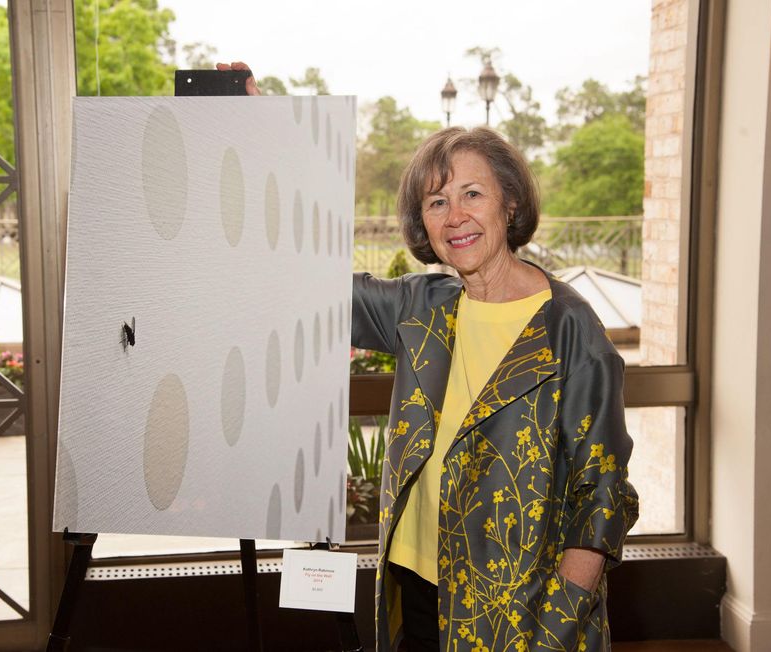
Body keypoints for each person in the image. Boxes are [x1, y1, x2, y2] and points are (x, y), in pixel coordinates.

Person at [223, 62, 638, 651]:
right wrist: (257, 136)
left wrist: (552, 632)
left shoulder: (572, 331)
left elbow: (600, 500)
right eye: (437, 202)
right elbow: (303, 278)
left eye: (472, 194)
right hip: (415, 584)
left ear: (510, 204)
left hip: (519, 611)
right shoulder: (421, 307)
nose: (455, 217)